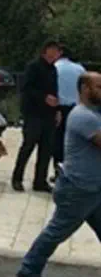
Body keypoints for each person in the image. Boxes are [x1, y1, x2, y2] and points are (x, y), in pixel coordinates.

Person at [17, 72, 101, 277]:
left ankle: (30, 267)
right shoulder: (84, 116)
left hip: (92, 188)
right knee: (57, 231)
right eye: (98, 87)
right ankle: (29, 268)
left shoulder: (94, 114)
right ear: (84, 89)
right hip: (79, 189)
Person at [12, 40, 62, 193]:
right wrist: (44, 97)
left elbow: (55, 91)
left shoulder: (53, 70)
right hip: (33, 113)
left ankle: (40, 181)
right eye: (52, 50)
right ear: (45, 51)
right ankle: (17, 178)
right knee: (28, 146)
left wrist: (57, 110)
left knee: (46, 149)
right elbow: (26, 89)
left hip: (49, 115)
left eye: (57, 52)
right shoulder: (33, 67)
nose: (55, 54)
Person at [53, 46, 86, 180]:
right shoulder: (79, 69)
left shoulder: (54, 67)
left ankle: (58, 173)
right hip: (77, 109)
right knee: (74, 142)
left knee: (57, 141)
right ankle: (73, 172)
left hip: (59, 109)